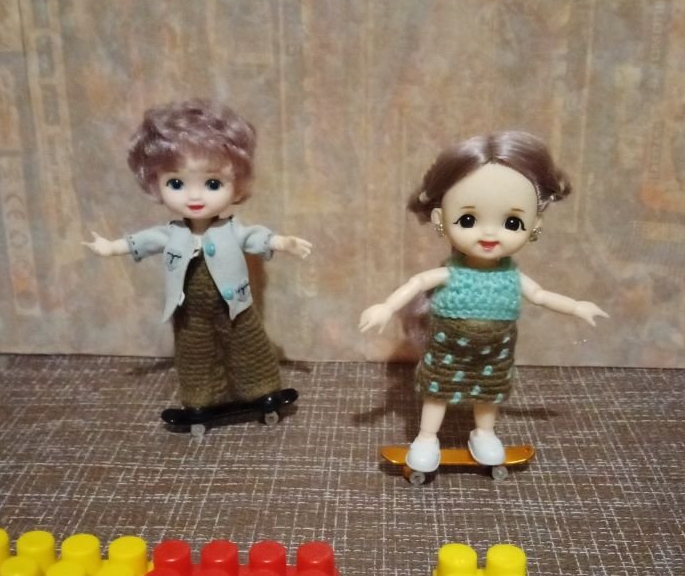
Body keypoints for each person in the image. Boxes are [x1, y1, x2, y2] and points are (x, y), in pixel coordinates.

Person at [359, 131, 608, 472]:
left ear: (534, 225)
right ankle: (427, 437)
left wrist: (576, 306)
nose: (489, 234)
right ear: (440, 220)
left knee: (489, 392)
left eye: (511, 222)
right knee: (438, 389)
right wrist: (386, 307)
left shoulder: (511, 276)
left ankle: (484, 434)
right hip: (448, 346)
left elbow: (539, 295)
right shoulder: (451, 273)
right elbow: (418, 283)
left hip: (496, 350)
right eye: (468, 220)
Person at [84, 99, 311, 414]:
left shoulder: (231, 229)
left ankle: (261, 389)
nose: (194, 196)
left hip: (235, 305)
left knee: (248, 344)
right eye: (176, 183)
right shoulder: (172, 233)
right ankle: (200, 398)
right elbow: (143, 241)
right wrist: (111, 247)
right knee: (194, 352)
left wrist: (282, 242)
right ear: (155, 184)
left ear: (237, 185)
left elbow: (255, 237)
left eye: (212, 183)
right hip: (188, 310)